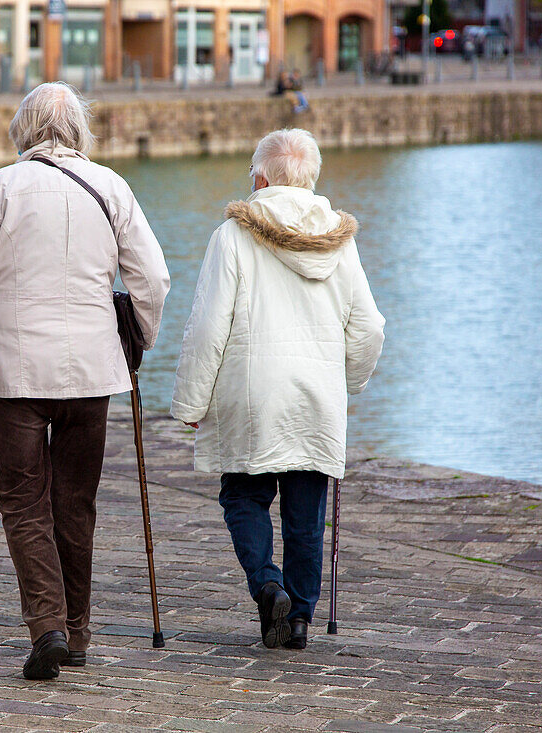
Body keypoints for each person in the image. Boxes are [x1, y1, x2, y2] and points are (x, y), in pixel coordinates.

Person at [0, 82, 170, 680]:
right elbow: (155, 277)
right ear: (79, 129)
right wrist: (139, 337)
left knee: (22, 500)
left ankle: (48, 627)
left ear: (23, 129)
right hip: (91, 370)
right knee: (75, 501)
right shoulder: (112, 186)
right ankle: (78, 631)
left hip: (15, 371)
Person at [171, 129, 384, 651]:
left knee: (244, 494)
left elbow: (207, 328)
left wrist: (190, 402)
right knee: (306, 510)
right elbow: (370, 328)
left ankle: (268, 586)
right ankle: (300, 619)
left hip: (251, 391)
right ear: (311, 178)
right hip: (315, 392)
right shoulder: (340, 238)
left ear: (262, 179)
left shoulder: (234, 235)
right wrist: (348, 381)